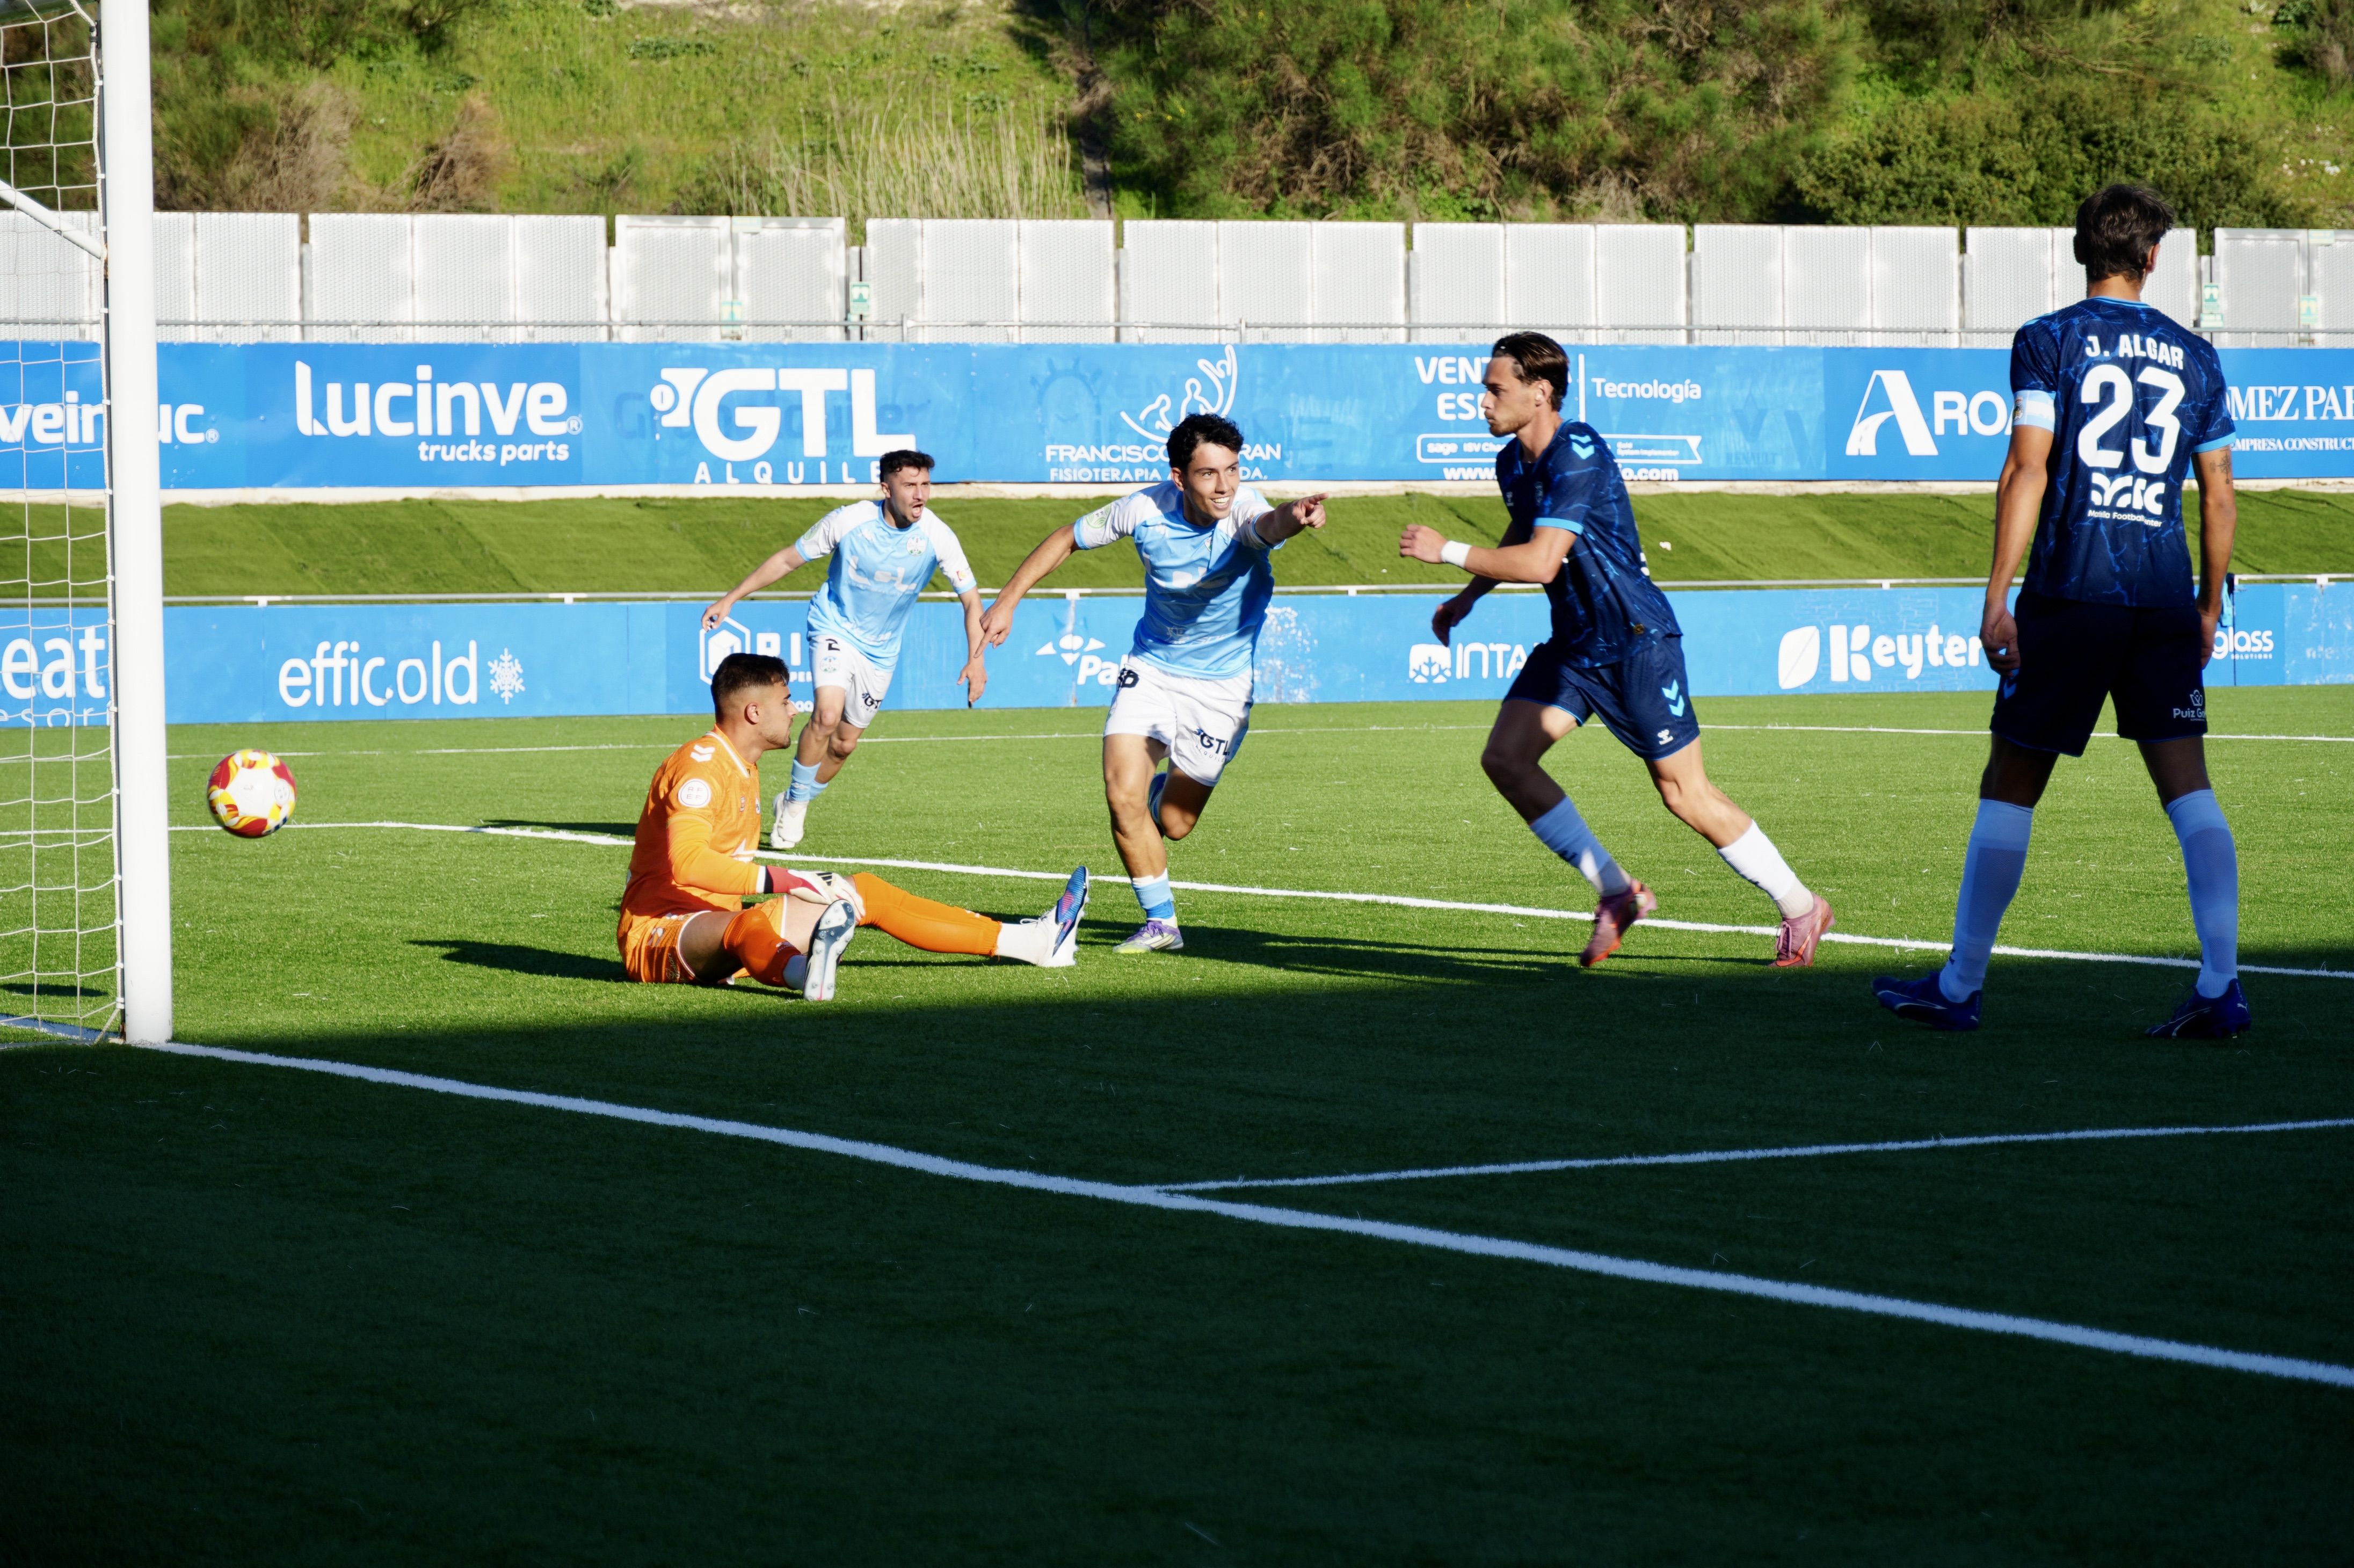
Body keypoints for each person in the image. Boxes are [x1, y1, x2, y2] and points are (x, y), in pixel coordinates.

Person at [1875, 184, 2245, 1036]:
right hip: (2157, 596)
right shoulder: (2199, 356)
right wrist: (2207, 604)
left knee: (2012, 779)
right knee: (2189, 788)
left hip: (2071, 592)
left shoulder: (2047, 342)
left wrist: (1998, 595)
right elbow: (2219, 495)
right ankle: (2222, 986)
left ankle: (1961, 987)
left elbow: (2028, 469)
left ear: (2082, 250)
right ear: (2154, 258)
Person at [1398, 331, 1833, 968]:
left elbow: (1545, 561)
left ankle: (1801, 906)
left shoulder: (1579, 448)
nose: (1481, 402)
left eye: (1495, 390)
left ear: (1539, 392)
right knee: (1507, 759)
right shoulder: (1511, 464)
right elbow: (1524, 531)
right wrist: (1469, 597)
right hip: (1575, 645)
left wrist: (1448, 551)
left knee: (1685, 794)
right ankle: (1617, 891)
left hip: (1634, 639)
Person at [977, 413, 1327, 954]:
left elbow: (1268, 525)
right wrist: (1007, 599)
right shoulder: (1143, 509)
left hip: (1221, 690)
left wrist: (1296, 516)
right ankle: (1161, 923)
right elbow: (1067, 538)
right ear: (1179, 476)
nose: (1225, 485)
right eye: (1209, 474)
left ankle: (1160, 806)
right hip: (1152, 670)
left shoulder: (1243, 510)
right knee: (1122, 796)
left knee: (1175, 822)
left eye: (1232, 470)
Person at [617, 652, 1087, 999]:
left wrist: (804, 886)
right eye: (785, 701)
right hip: (659, 933)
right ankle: (806, 973)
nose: (795, 709)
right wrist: (791, 880)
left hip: (723, 931)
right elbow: (689, 862)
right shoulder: (701, 766)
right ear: (754, 713)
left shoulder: (744, 764)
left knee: (862, 892)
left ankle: (1037, 943)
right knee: (749, 923)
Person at [700, 450, 987, 851]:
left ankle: (794, 799)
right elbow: (787, 559)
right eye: (910, 486)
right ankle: (796, 808)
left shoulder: (939, 537)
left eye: (925, 485)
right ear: (886, 489)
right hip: (834, 626)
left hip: (881, 650)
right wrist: (731, 599)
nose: (920, 495)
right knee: (827, 714)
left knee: (844, 744)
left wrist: (977, 659)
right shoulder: (849, 521)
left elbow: (972, 601)